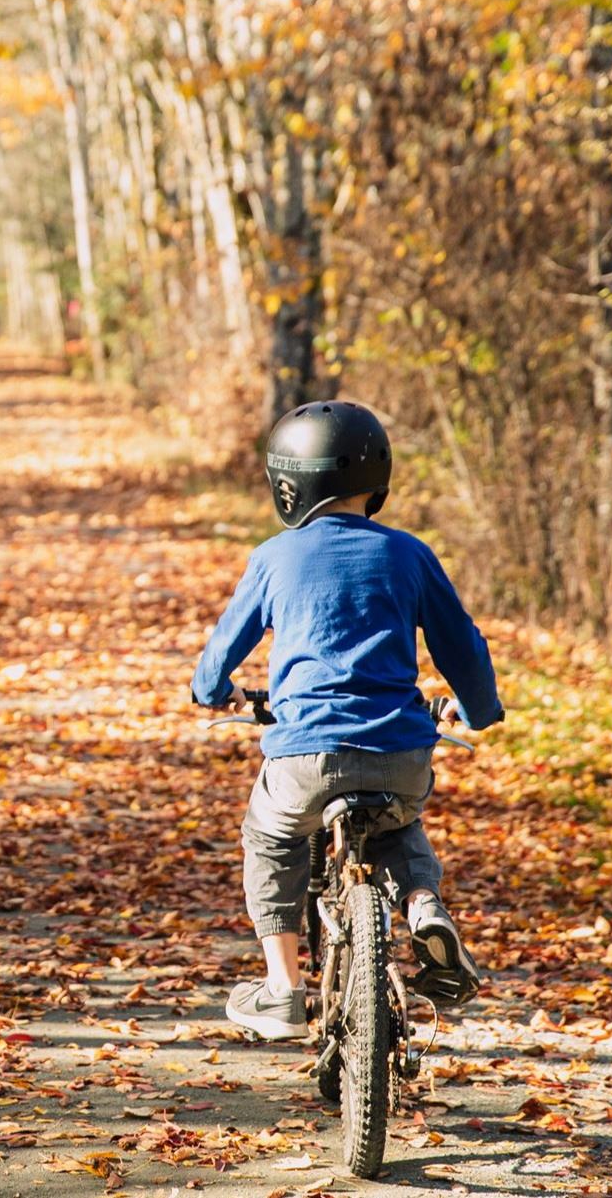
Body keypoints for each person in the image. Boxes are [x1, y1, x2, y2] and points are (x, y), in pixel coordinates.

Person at [192, 400, 500, 1039]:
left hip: (305, 756)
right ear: (377, 480)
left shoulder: (275, 556)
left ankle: (282, 989)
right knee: (398, 825)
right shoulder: (411, 555)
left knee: (271, 837)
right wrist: (475, 708)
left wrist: (211, 691)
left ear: (288, 481)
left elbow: (223, 649)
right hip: (400, 752)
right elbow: (461, 645)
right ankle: (422, 906)